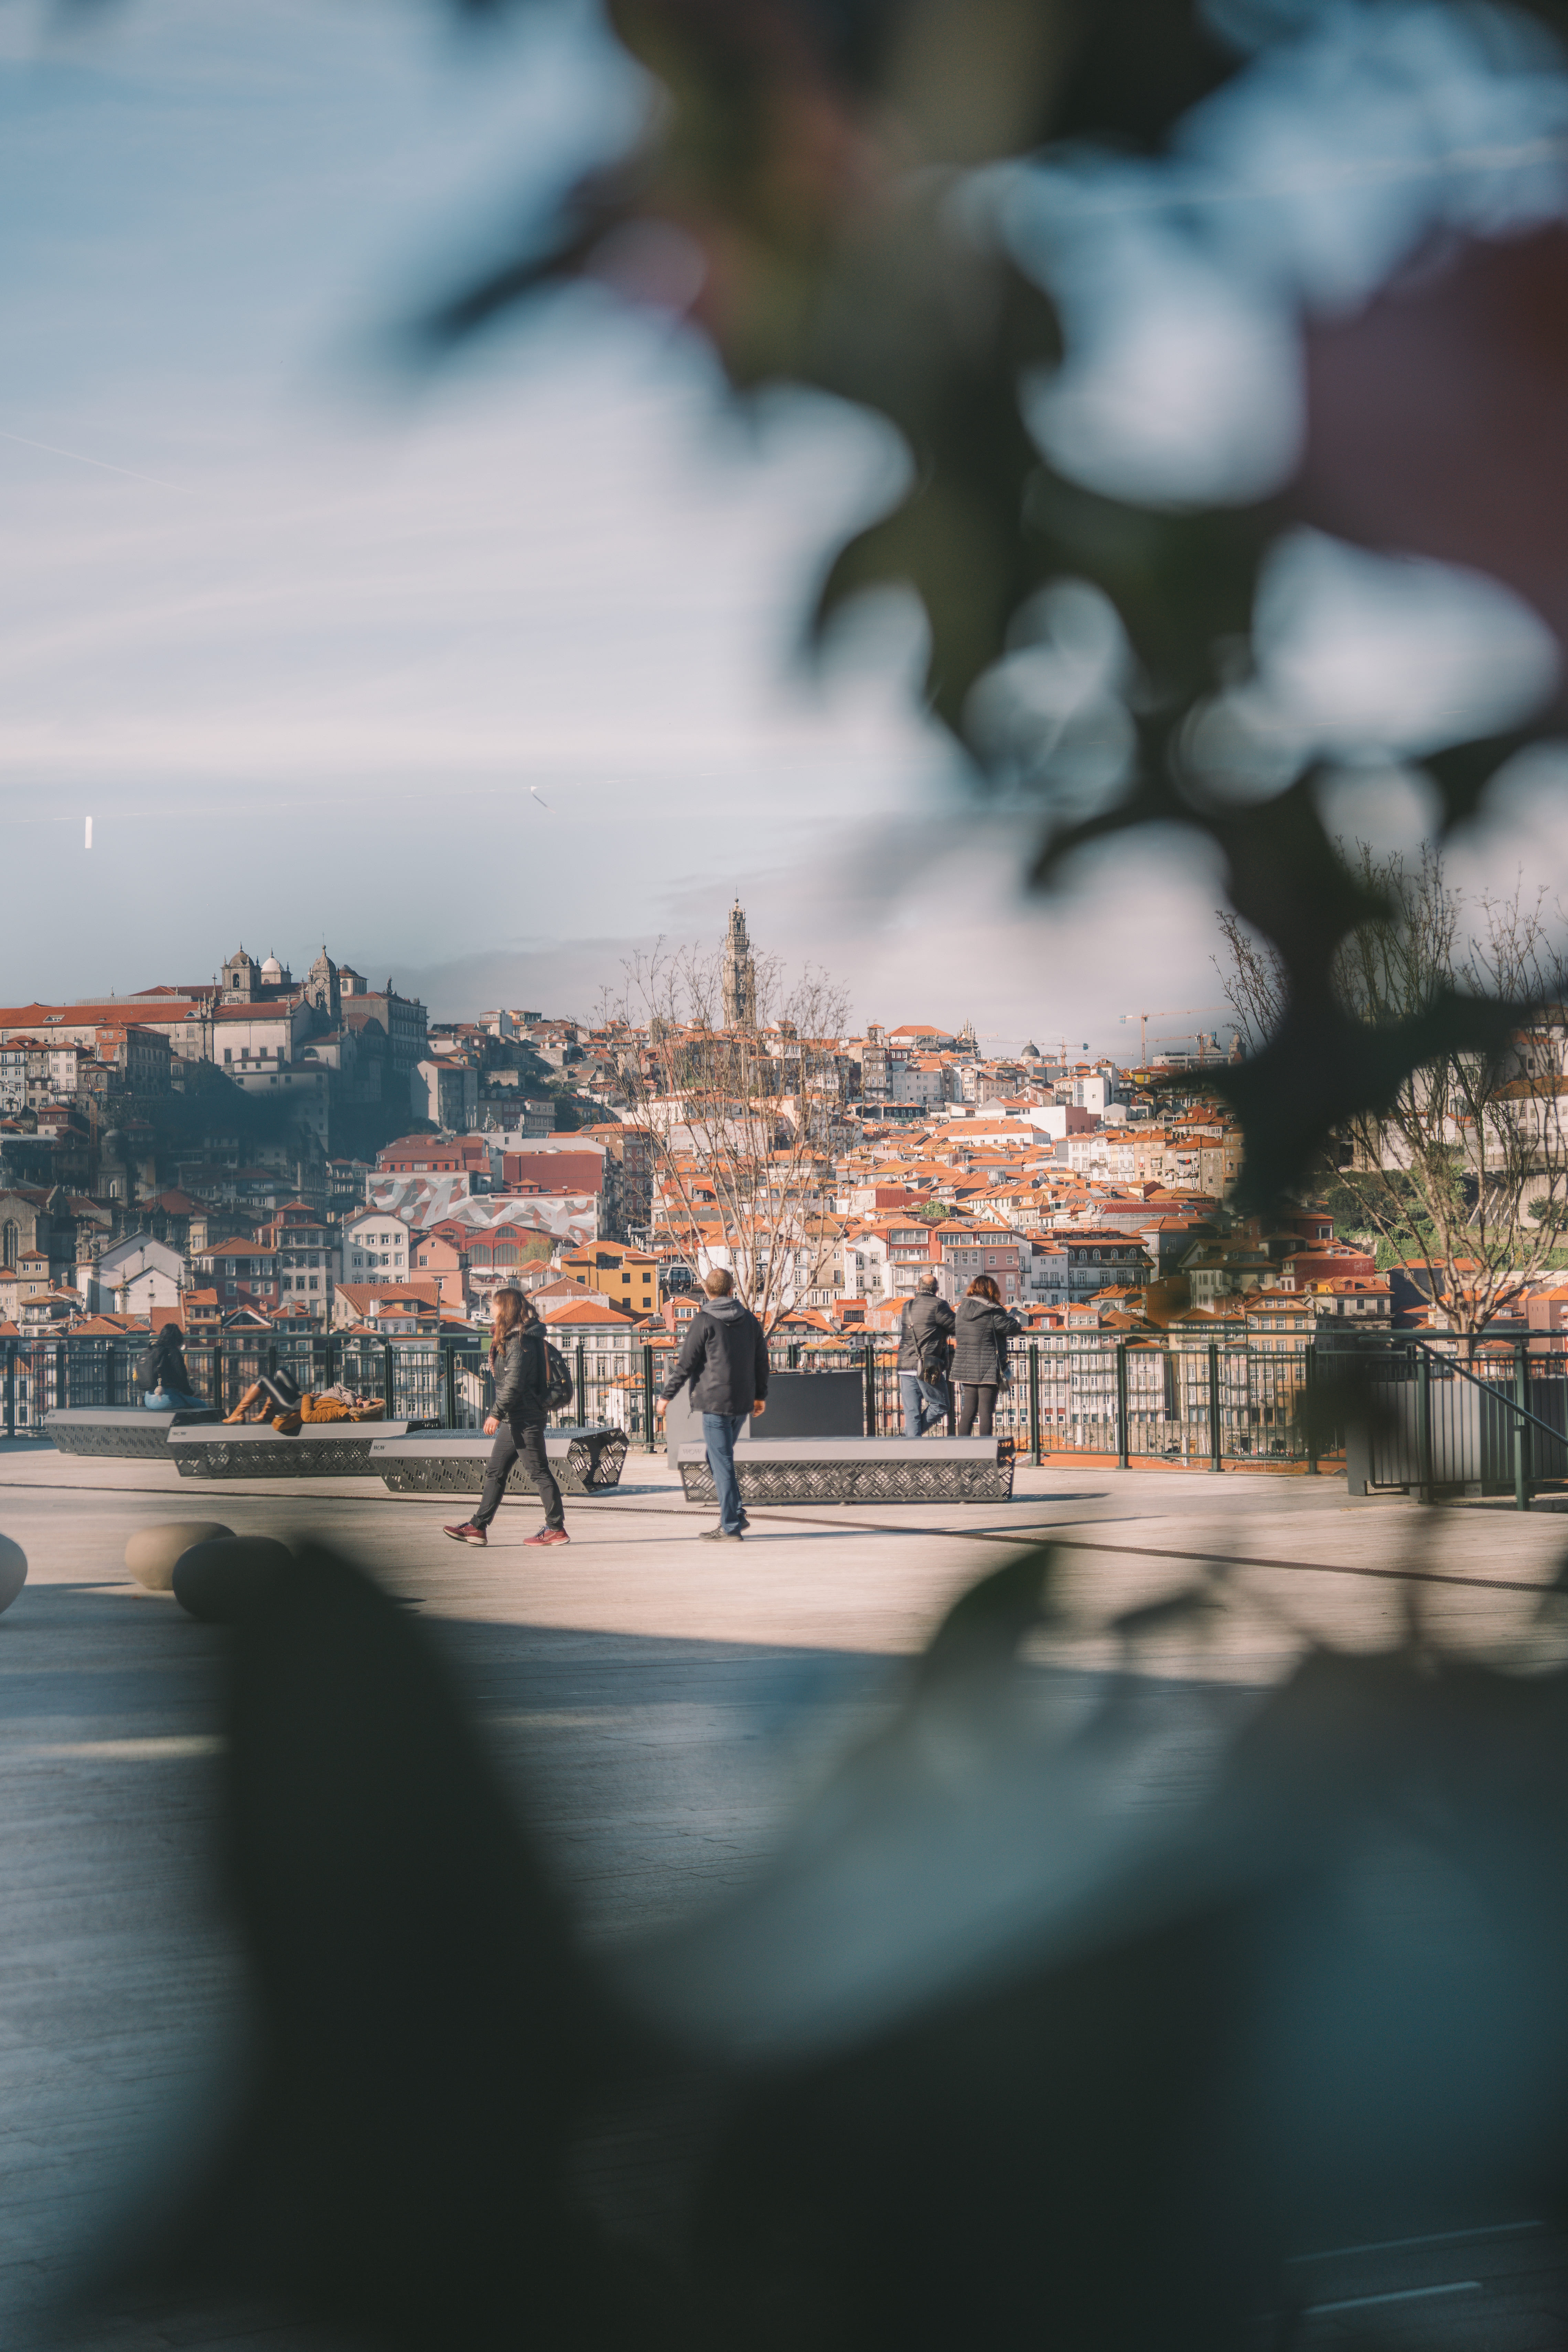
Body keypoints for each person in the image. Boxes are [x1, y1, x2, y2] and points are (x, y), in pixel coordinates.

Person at [443, 1288, 567, 1548]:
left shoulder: (520, 1342)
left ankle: (556, 1529)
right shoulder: (514, 1338)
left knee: (538, 1472)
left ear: (506, 1309)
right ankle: (478, 1527)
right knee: (496, 1472)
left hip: (525, 1418)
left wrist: (495, 1414)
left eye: (495, 1305)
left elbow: (514, 1383)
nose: (491, 1309)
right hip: (516, 1417)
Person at [655, 1267, 767, 1540]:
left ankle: (731, 1526)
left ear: (707, 1291)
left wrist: (666, 1396)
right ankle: (737, 1513)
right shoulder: (749, 1320)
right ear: (732, 1290)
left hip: (715, 1404)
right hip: (742, 1402)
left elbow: (686, 1364)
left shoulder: (704, 1320)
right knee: (716, 1458)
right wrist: (760, 1396)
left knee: (722, 1461)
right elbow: (761, 1360)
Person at [953, 1273, 1021, 1438]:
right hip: (988, 1366)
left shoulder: (961, 1309)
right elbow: (1012, 1328)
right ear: (992, 1291)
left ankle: (961, 1448)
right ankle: (985, 1449)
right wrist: (1013, 1318)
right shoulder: (993, 1311)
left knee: (969, 1410)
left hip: (966, 1366)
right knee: (986, 1411)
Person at [897, 1274, 954, 1438]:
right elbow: (955, 1327)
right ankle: (908, 1437)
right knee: (940, 1405)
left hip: (905, 1365)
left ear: (918, 1288)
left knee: (912, 1413)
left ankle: (910, 1442)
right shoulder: (939, 1305)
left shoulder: (907, 1306)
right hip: (928, 1365)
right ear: (937, 1290)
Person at [140, 1318, 204, 1411]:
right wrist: (191, 1393)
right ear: (177, 1339)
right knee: (202, 1405)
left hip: (148, 1400)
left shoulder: (153, 1349)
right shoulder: (173, 1352)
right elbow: (181, 1377)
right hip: (164, 1400)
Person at [223, 1361, 305, 1432]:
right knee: (280, 1372)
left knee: (263, 1378)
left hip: (295, 1407)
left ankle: (238, 1413)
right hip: (300, 1401)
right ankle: (269, 1412)